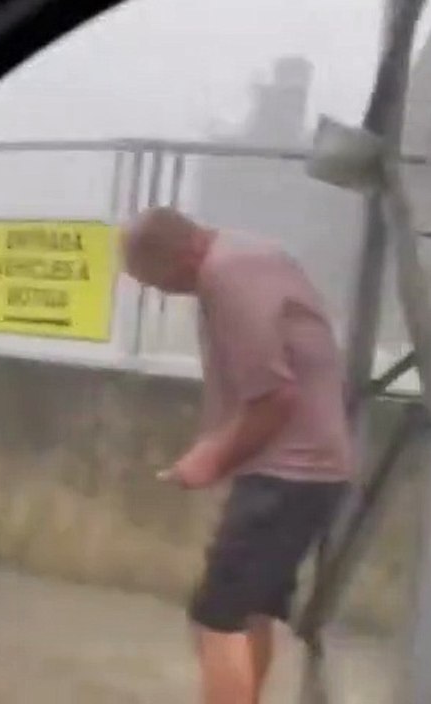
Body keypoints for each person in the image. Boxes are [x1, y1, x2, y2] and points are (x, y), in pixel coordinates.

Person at [120, 207, 353, 704]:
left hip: (288, 472)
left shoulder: (228, 274)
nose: (166, 293)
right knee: (250, 611)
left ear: (180, 258)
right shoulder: (246, 255)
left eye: (160, 282)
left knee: (216, 615)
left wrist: (211, 457)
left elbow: (276, 397)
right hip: (303, 469)